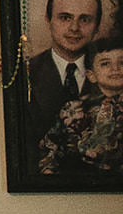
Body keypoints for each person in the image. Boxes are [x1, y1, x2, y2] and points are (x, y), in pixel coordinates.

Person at [23, 0, 101, 168]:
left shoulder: (113, 74)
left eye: (85, 19)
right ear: (48, 20)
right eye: (65, 18)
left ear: (97, 27)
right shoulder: (24, 74)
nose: (74, 28)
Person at [38, 35, 123, 175]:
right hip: (82, 183)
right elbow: (51, 147)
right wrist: (48, 171)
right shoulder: (74, 109)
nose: (115, 69)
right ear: (91, 75)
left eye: (122, 63)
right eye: (105, 64)